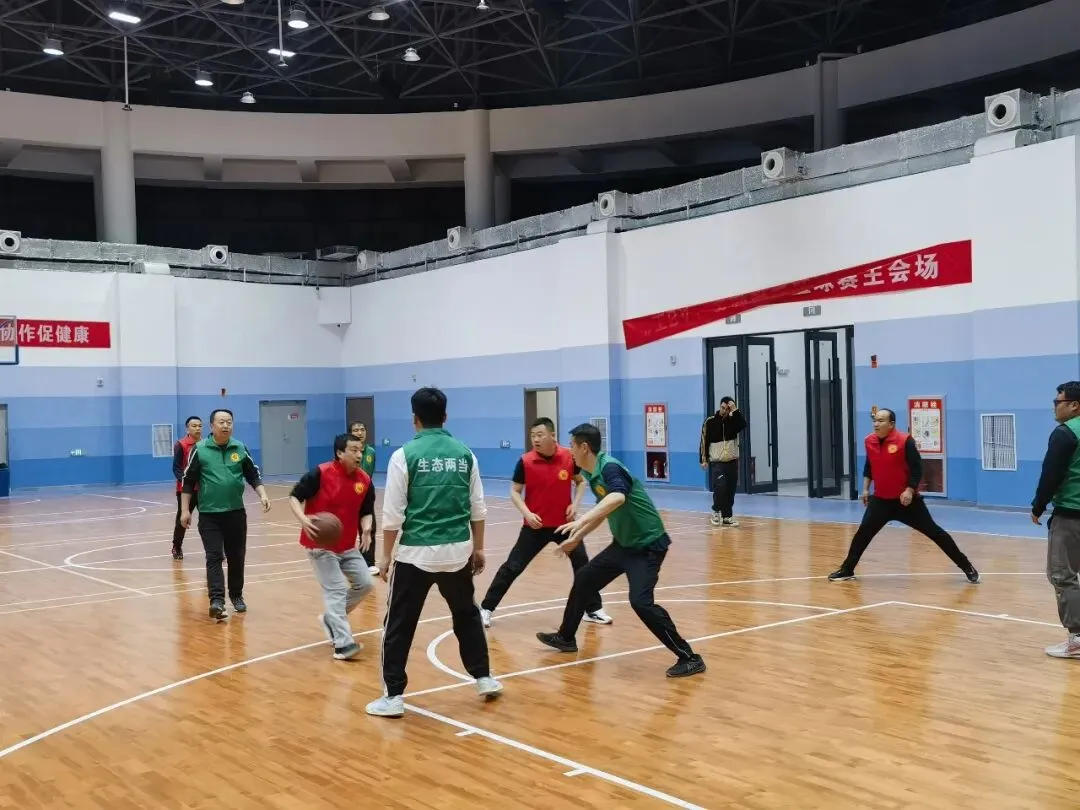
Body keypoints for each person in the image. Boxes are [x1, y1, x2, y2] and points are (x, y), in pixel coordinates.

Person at [366, 387, 502, 718]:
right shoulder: (465, 454)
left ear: (414, 419)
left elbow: (393, 514)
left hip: (415, 554)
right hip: (457, 551)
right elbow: (478, 508)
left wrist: (385, 556)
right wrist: (479, 548)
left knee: (399, 623)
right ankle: (483, 677)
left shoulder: (403, 456)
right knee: (466, 615)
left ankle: (393, 696)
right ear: (445, 416)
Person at [536, 423, 706, 679]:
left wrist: (580, 521)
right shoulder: (593, 474)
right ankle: (566, 637)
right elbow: (605, 510)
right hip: (623, 545)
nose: (569, 451)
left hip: (648, 545)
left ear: (584, 448)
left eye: (572, 446)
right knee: (584, 578)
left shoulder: (610, 468)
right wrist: (576, 538)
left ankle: (690, 658)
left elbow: (617, 498)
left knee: (640, 602)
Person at [479, 417, 612, 628]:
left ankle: (593, 609)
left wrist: (576, 503)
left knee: (583, 565)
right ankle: (486, 608)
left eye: (540, 435)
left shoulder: (569, 457)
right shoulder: (525, 461)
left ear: (552, 436)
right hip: (535, 527)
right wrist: (527, 513)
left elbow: (580, 482)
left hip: (565, 525)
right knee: (512, 567)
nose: (536, 439)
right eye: (532, 436)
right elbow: (515, 491)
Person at [828, 407, 979, 583]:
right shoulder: (869, 441)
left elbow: (917, 468)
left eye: (881, 420)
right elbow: (869, 466)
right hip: (881, 501)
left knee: (936, 533)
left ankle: (966, 566)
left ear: (891, 424)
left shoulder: (905, 441)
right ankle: (847, 570)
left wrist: (909, 490)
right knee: (862, 535)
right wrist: (865, 489)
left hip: (906, 502)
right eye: (875, 420)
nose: (876, 424)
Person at [289, 432, 377, 661]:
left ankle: (332, 619)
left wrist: (366, 528)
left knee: (366, 583)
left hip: (347, 545)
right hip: (319, 544)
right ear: (340, 453)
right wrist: (303, 519)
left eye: (361, 450)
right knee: (336, 589)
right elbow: (294, 496)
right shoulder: (320, 473)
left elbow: (367, 511)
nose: (359, 455)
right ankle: (343, 644)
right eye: (354, 450)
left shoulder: (364, 480)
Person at [181, 408, 271, 621]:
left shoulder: (239, 448)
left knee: (236, 557)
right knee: (214, 556)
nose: (225, 425)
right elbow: (188, 481)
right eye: (221, 422)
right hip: (209, 514)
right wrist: (185, 510)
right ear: (212, 425)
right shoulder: (200, 449)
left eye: (229, 422)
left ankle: (236, 595)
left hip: (235, 513)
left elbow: (252, 474)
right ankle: (217, 600)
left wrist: (263, 494)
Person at [1031, 381, 1080, 659]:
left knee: (1063, 575)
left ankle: (1078, 638)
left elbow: (1051, 474)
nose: (1054, 407)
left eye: (1057, 402)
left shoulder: (1065, 434)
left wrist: (1038, 506)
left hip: (1072, 515)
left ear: (1074, 405)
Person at [699, 397, 746, 527]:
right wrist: (703, 459)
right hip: (717, 462)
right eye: (723, 408)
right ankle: (716, 511)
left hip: (732, 461)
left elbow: (743, 424)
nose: (724, 411)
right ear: (720, 406)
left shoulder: (734, 421)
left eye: (727, 409)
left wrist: (735, 410)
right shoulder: (710, 422)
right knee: (720, 487)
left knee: (730, 490)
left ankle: (727, 516)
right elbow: (703, 441)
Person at [349, 420, 379, 575]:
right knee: (347, 530)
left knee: (369, 528)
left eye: (362, 429)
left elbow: (369, 473)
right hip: (349, 494)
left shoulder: (371, 452)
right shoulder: (346, 451)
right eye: (355, 430)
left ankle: (368, 563)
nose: (359, 432)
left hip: (365, 494)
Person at [171, 415, 202, 560]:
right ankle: (177, 547)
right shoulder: (181, 445)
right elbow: (176, 468)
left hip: (203, 490)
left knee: (209, 519)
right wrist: (186, 482)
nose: (197, 428)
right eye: (194, 426)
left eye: (200, 426)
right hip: (186, 491)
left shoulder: (206, 445)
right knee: (182, 519)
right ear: (187, 429)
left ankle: (216, 549)